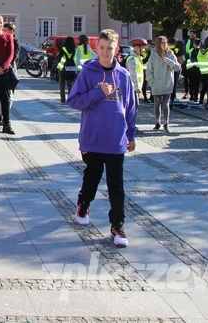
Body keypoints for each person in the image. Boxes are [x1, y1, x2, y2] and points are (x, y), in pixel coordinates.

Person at [68, 29, 136, 248]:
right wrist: (98, 93)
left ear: (116, 49)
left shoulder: (123, 76)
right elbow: (74, 101)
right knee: (92, 177)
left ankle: (117, 226)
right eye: (102, 48)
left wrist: (131, 134)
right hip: (93, 138)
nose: (106, 53)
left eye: (110, 48)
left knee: (116, 185)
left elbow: (130, 108)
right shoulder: (88, 72)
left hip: (116, 139)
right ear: (96, 49)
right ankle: (83, 204)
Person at [146, 36, 181, 132]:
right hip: (156, 85)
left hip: (167, 84)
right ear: (158, 44)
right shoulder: (153, 56)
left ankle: (166, 123)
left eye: (165, 42)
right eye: (162, 43)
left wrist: (168, 61)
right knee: (156, 104)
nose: (164, 44)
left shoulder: (171, 54)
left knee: (166, 105)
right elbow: (149, 71)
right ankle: (157, 122)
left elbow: (177, 67)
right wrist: (152, 82)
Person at [56, 36, 77, 105]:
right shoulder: (74, 50)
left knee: (62, 85)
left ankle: (62, 100)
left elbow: (59, 58)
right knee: (70, 85)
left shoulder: (63, 49)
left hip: (62, 68)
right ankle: (70, 99)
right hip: (71, 68)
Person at [125, 39, 146, 103]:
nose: (143, 50)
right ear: (136, 48)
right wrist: (136, 87)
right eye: (142, 47)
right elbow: (133, 74)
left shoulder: (137, 58)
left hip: (134, 90)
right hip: (133, 90)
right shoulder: (132, 59)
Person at [182, 30, 197, 99]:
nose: (191, 35)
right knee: (186, 78)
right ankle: (186, 92)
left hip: (194, 63)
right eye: (190, 34)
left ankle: (193, 94)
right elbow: (183, 50)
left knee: (193, 79)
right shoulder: (186, 41)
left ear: (195, 35)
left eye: (192, 34)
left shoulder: (197, 41)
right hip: (186, 62)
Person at [186, 37, 201, 103]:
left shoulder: (191, 50)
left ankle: (191, 95)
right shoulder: (201, 51)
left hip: (191, 68)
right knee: (196, 84)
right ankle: (195, 96)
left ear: (194, 44)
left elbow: (188, 58)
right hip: (198, 69)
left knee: (191, 83)